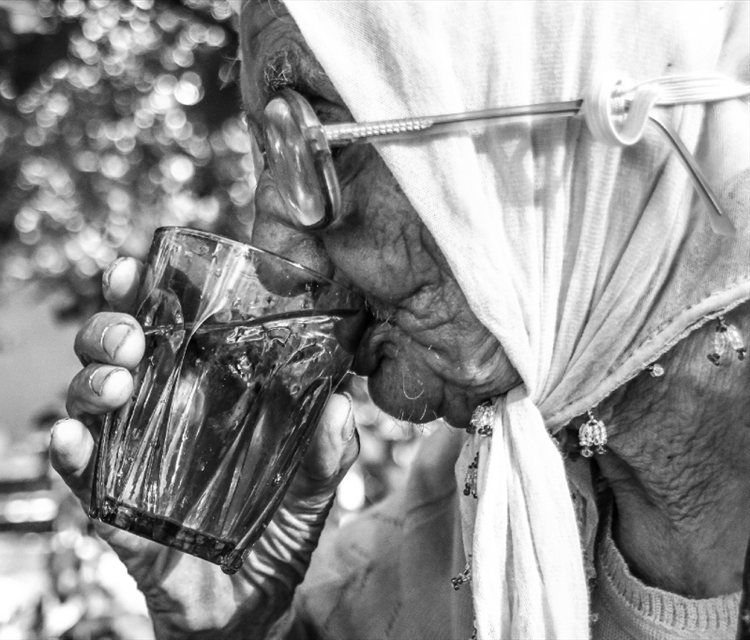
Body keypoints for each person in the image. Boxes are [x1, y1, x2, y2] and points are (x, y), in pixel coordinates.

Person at [50, 1, 750, 638]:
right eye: (267, 148)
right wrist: (233, 629)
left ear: (581, 128)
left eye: (317, 138)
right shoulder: (408, 567)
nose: (276, 250)